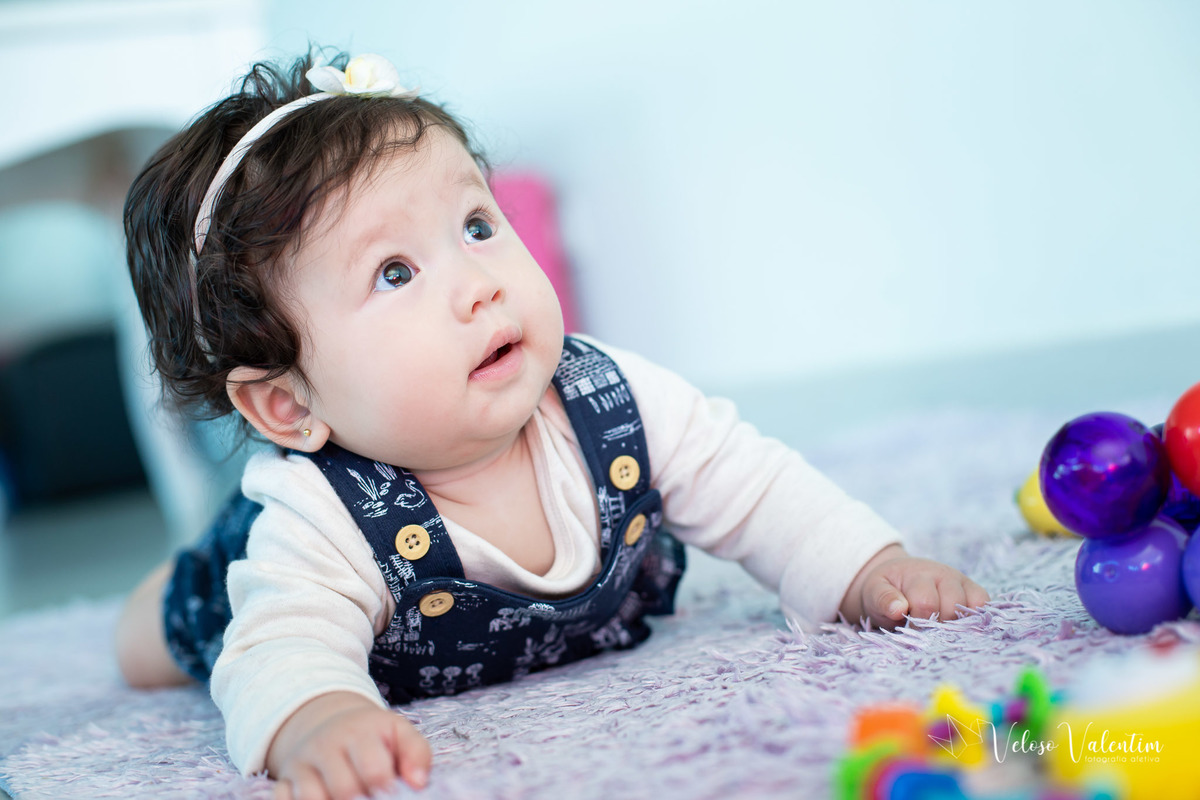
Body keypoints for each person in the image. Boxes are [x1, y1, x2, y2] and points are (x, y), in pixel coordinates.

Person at [114, 49, 989, 800]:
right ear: (289, 404)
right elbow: (280, 645)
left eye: (477, 224)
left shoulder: (609, 399)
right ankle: (155, 600)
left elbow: (755, 488)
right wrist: (318, 716)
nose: (479, 282)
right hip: (247, 563)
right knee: (170, 632)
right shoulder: (322, 523)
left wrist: (870, 569)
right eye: (394, 273)